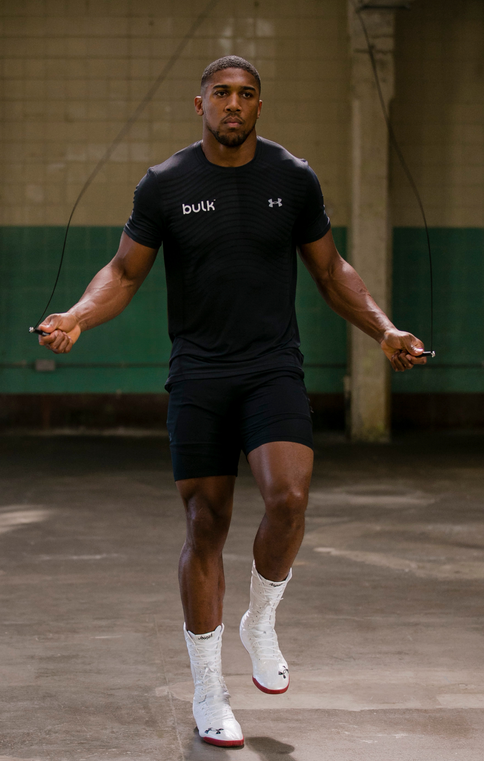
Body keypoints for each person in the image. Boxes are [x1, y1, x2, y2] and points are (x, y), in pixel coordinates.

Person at [35, 56, 429, 747]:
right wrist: (76, 315)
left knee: (289, 498)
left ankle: (262, 617)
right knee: (205, 522)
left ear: (258, 105)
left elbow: (331, 270)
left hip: (272, 366)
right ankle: (209, 689)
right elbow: (126, 271)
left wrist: (385, 328)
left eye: (247, 94)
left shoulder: (292, 177)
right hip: (199, 373)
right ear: (200, 105)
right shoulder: (165, 184)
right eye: (222, 94)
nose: (234, 105)